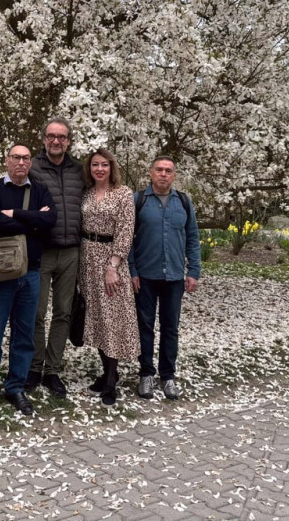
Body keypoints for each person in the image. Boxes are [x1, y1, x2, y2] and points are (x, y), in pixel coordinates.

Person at [0, 143, 56, 417]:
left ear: (30, 162)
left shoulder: (40, 189)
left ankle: (15, 387)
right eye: (16, 157)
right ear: (7, 160)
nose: (21, 162)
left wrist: (14, 214)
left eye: (25, 158)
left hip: (31, 272)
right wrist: (34, 221)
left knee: (24, 334)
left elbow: (51, 220)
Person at [129, 156, 201, 401]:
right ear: (150, 173)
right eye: (159, 170)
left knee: (170, 328)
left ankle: (168, 376)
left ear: (174, 175)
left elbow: (192, 237)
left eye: (168, 171)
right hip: (145, 277)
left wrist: (193, 271)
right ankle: (146, 374)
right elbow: (127, 239)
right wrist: (132, 271)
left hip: (174, 277)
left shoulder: (184, 202)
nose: (163, 174)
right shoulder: (138, 201)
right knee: (145, 327)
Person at [27, 117, 84, 398]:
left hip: (71, 249)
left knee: (63, 312)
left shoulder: (79, 170)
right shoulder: (33, 167)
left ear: (69, 141)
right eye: (51, 136)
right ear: (44, 139)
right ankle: (34, 366)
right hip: (42, 249)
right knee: (36, 312)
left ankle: (53, 369)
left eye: (61, 137)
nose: (56, 141)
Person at [78, 148, 139, 407]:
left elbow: (125, 231)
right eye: (95, 164)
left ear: (111, 167)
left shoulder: (123, 193)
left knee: (112, 318)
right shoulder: (87, 193)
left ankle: (111, 381)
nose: (99, 169)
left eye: (104, 164)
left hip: (110, 260)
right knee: (97, 319)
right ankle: (106, 373)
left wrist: (113, 266)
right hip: (87, 260)